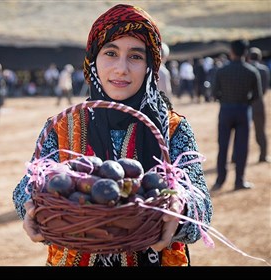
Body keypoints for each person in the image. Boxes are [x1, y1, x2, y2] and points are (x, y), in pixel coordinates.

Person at [13, 4, 213, 266]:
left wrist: (181, 207)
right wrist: (30, 206)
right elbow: (25, 188)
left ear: (150, 65)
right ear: (92, 60)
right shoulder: (61, 127)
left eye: (135, 57)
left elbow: (202, 206)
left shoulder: (171, 128)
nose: (121, 69)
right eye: (110, 52)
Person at [211, 40, 262, 192]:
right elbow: (257, 95)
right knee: (241, 147)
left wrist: (225, 100)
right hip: (243, 110)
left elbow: (214, 93)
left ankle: (220, 180)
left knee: (223, 146)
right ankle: (239, 181)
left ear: (231, 52)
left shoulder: (221, 70)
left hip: (226, 110)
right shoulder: (252, 71)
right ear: (245, 52)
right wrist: (245, 102)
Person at [247, 47, 270, 163]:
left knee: (241, 132)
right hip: (258, 104)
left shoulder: (246, 69)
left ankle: (235, 157)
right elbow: (264, 89)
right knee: (260, 131)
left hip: (245, 104)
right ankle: (263, 155)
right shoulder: (264, 70)